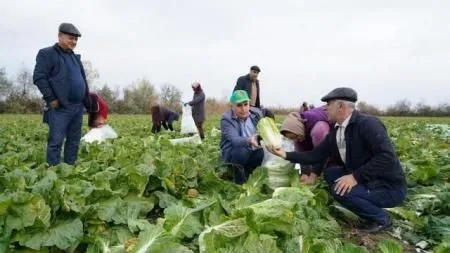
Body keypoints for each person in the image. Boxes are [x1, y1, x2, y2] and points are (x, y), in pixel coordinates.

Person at [268, 87, 407, 233]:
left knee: (339, 191)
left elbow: (386, 157)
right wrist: (285, 154)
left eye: (328, 104)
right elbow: (315, 155)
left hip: (388, 187)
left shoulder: (368, 124)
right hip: (367, 179)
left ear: (341, 106)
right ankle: (360, 198)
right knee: (330, 173)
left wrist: (355, 177)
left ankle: (381, 219)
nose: (325, 108)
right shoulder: (337, 131)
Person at [33, 23, 91, 166]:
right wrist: (51, 98)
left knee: (74, 140)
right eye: (71, 38)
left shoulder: (75, 57)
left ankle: (69, 167)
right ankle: (53, 169)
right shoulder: (47, 54)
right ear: (60, 36)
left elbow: (82, 80)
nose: (74, 42)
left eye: (76, 39)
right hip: (60, 107)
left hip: (77, 107)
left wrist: (88, 102)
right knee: (56, 141)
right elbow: (39, 77)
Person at [220, 90, 268, 184]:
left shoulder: (256, 115)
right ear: (232, 107)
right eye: (239, 105)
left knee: (261, 153)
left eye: (246, 104)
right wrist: (250, 140)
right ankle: (238, 178)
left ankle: (248, 171)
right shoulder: (226, 119)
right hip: (233, 152)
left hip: (252, 149)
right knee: (242, 152)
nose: (243, 109)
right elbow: (235, 140)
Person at [280, 106, 333, 184]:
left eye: (295, 137)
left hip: (336, 145)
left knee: (329, 172)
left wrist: (313, 175)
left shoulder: (319, 128)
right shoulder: (299, 129)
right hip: (317, 141)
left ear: (298, 128)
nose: (295, 140)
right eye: (292, 139)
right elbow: (301, 154)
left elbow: (322, 153)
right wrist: (305, 173)